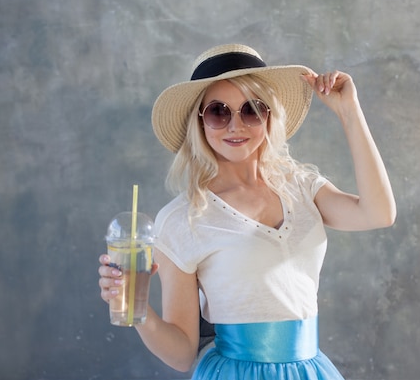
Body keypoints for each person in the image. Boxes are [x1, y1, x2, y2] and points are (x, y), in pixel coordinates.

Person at [98, 44, 396, 379]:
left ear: (269, 116)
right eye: (218, 112)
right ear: (199, 122)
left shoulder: (302, 187)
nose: (235, 125)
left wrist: (349, 111)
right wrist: (139, 313)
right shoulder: (183, 218)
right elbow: (182, 355)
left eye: (252, 109)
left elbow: (379, 213)